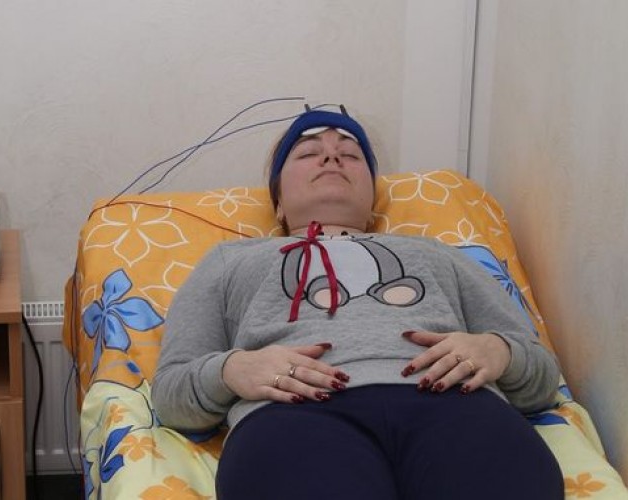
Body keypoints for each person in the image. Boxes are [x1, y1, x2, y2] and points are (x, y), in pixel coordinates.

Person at [151, 107, 564, 499]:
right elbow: (172, 397)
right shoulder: (229, 260)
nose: (331, 157)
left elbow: (542, 378)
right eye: (308, 153)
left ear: (371, 201)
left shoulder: (438, 253)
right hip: (291, 415)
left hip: (460, 404)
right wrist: (231, 370)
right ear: (277, 202)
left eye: (350, 154)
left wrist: (499, 350)